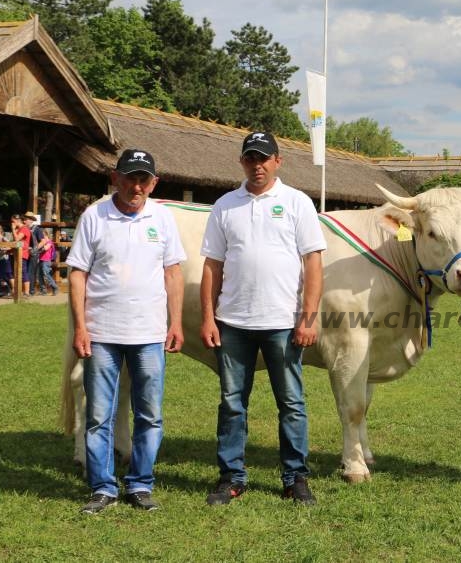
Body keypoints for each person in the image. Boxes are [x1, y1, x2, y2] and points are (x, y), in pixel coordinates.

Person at [200, 131, 326, 506]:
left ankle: (295, 478)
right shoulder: (225, 205)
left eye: (264, 158)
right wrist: (208, 317)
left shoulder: (297, 202)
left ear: (278, 161)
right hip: (234, 321)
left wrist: (308, 318)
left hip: (283, 322)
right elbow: (212, 266)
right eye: (250, 159)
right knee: (232, 403)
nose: (257, 165)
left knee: (291, 403)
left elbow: (313, 263)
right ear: (242, 162)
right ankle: (232, 478)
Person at [67, 148, 186, 515]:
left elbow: (172, 273)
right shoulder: (94, 216)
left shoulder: (162, 218)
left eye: (143, 179)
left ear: (154, 183)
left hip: (149, 334)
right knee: (99, 415)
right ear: (115, 178)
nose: (136, 186)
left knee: (149, 414)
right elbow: (77, 274)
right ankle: (102, 487)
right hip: (102, 333)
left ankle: (140, 484)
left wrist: (176, 322)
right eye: (130, 178)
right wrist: (81, 327)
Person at [11, 214, 31, 295]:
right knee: (18, 272)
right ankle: (20, 291)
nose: (12, 223)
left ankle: (26, 292)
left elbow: (16, 239)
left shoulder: (24, 229)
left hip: (22, 253)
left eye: (13, 221)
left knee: (23, 272)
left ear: (17, 221)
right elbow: (16, 241)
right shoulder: (19, 229)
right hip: (18, 253)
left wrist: (13, 229)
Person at [37, 228, 60, 295]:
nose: (40, 236)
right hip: (41, 260)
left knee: (46, 274)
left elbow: (46, 248)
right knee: (40, 275)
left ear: (45, 234)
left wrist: (38, 248)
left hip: (46, 261)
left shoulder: (49, 242)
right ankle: (43, 290)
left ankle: (54, 287)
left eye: (42, 234)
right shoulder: (41, 242)